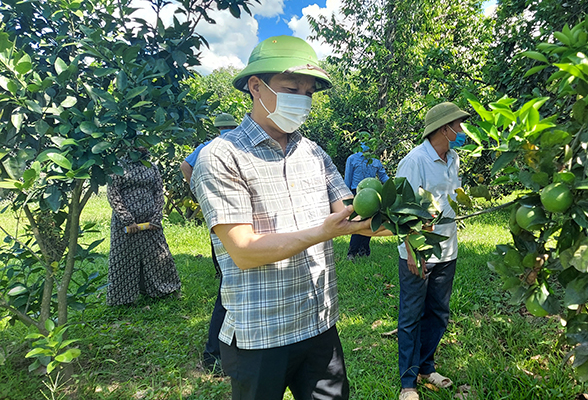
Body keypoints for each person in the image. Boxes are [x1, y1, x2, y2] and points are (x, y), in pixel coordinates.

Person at [191, 35, 382, 400]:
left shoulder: (313, 153)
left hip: (318, 323)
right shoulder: (221, 157)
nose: (302, 99)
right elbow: (244, 250)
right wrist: (322, 232)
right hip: (261, 333)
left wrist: (404, 219)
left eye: (309, 92)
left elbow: (348, 212)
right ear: (256, 87)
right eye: (292, 88)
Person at [394, 102, 470, 400]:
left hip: (447, 250)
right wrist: (414, 252)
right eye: (460, 126)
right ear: (445, 128)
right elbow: (401, 210)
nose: (464, 132)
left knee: (438, 313)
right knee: (412, 315)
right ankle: (408, 382)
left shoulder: (454, 159)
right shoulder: (415, 161)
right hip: (420, 251)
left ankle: (427, 367)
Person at [180, 113, 239, 376]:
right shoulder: (232, 147)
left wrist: (197, 187)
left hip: (220, 217)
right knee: (229, 289)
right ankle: (213, 354)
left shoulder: (206, 147)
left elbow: (184, 165)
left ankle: (216, 353)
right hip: (236, 220)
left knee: (228, 281)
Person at [107, 147, 181, 306]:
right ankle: (122, 300)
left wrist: (156, 216)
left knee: (159, 255)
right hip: (125, 225)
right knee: (124, 260)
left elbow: (158, 192)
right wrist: (127, 219)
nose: (142, 148)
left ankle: (165, 290)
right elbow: (113, 194)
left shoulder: (151, 166)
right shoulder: (119, 167)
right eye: (137, 144)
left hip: (151, 223)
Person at [343, 142, 389, 260]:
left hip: (373, 195)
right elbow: (347, 180)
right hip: (357, 194)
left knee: (369, 223)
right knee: (358, 223)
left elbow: (383, 177)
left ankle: (364, 251)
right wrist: (347, 197)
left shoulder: (375, 161)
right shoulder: (352, 159)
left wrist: (394, 187)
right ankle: (352, 252)